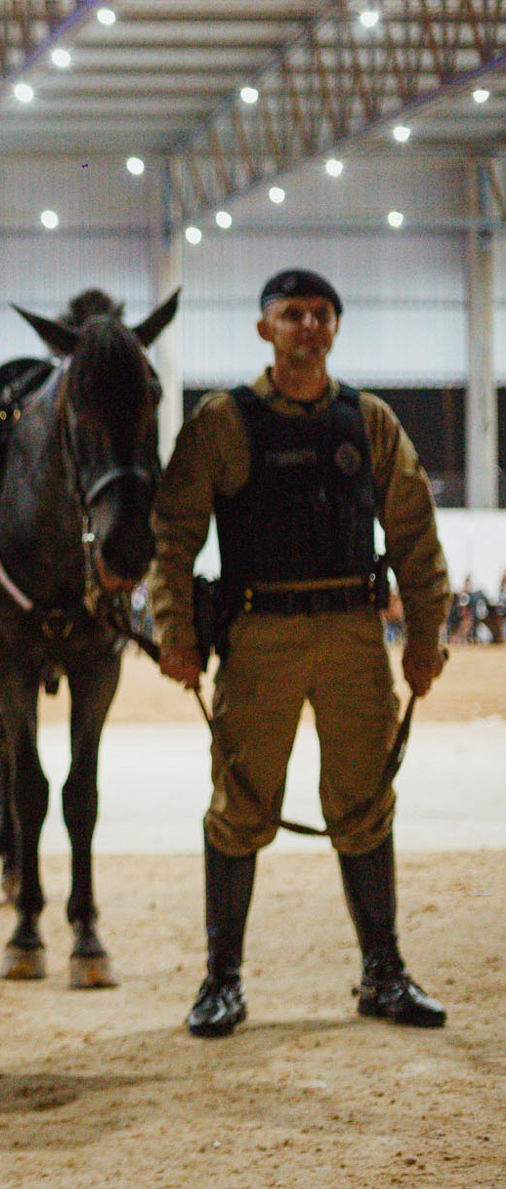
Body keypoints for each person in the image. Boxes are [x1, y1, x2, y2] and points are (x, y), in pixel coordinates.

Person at [147, 268, 450, 1038]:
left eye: (321, 314)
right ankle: (222, 981)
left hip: (353, 634)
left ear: (336, 328)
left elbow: (414, 533)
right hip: (260, 636)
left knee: (365, 801)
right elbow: (173, 534)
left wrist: (426, 634)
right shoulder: (224, 421)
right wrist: (177, 633)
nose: (308, 326)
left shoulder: (368, 420)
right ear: (265, 329)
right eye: (292, 314)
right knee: (241, 805)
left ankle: (383, 972)